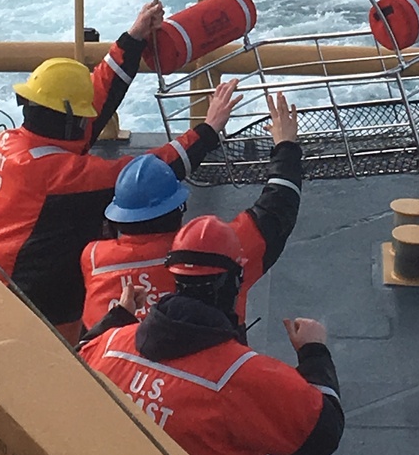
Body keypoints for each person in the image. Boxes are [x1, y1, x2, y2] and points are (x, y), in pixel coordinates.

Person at [0, 0, 241, 343]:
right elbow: (145, 173)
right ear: (69, 121)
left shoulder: (15, 141)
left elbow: (97, 94)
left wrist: (134, 37)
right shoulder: (58, 176)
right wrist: (208, 130)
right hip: (30, 310)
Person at [80, 214, 343, 455]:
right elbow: (322, 434)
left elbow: (73, 361)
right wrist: (314, 351)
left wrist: (117, 317)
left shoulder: (110, 345)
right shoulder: (242, 376)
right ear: (233, 281)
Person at [79, 91, 301, 332]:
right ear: (179, 209)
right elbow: (277, 208)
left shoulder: (93, 258)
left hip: (111, 357)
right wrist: (285, 145)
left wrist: (207, 131)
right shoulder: (221, 254)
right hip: (214, 356)